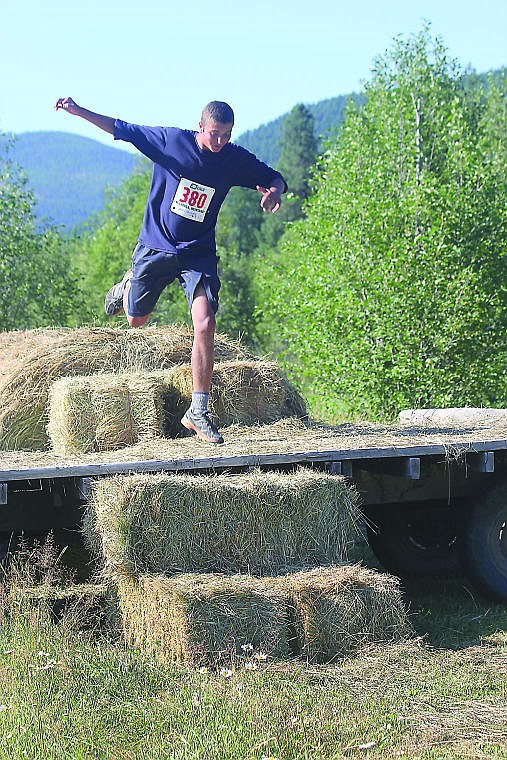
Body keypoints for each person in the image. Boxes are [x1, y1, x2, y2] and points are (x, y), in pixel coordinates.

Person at [54, 96, 287, 444]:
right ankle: (130, 283)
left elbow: (274, 177)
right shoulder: (171, 142)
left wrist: (274, 192)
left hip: (197, 254)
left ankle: (198, 410)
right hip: (157, 247)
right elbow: (121, 129)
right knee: (136, 320)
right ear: (200, 127)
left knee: (205, 324)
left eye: (226, 134)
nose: (220, 141)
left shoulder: (233, 159)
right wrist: (79, 111)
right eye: (214, 134)